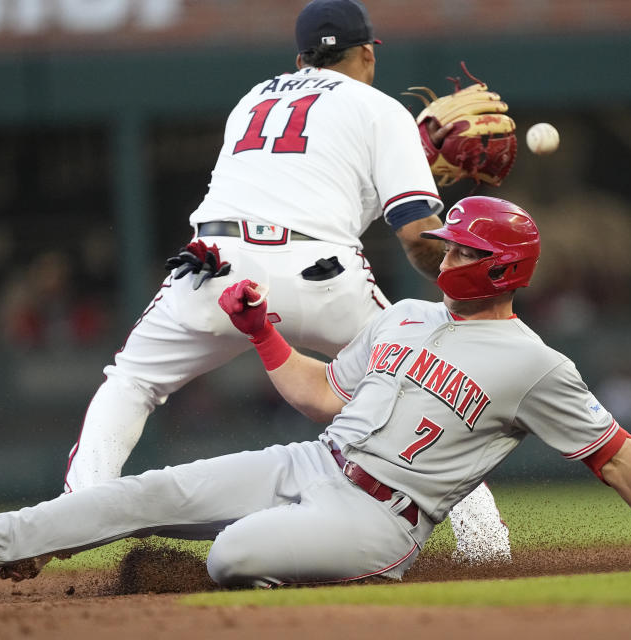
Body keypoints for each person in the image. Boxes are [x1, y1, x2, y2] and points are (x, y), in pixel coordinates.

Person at [0, 196, 631, 591]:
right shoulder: (410, 316)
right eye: (450, 246)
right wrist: (263, 329)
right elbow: (315, 395)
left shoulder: (536, 364)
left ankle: (278, 568)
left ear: (502, 269)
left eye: (463, 250)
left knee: (234, 554)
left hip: (380, 519)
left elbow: (617, 455)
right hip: (314, 460)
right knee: (144, 492)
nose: (446, 256)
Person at [61, 0, 510, 562]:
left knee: (129, 383)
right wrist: (464, 272)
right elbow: (417, 237)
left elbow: (296, 189)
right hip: (320, 275)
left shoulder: (252, 99)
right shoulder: (379, 108)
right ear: (369, 53)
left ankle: (72, 514)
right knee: (423, 388)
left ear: (300, 58)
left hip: (214, 268)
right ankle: (486, 546)